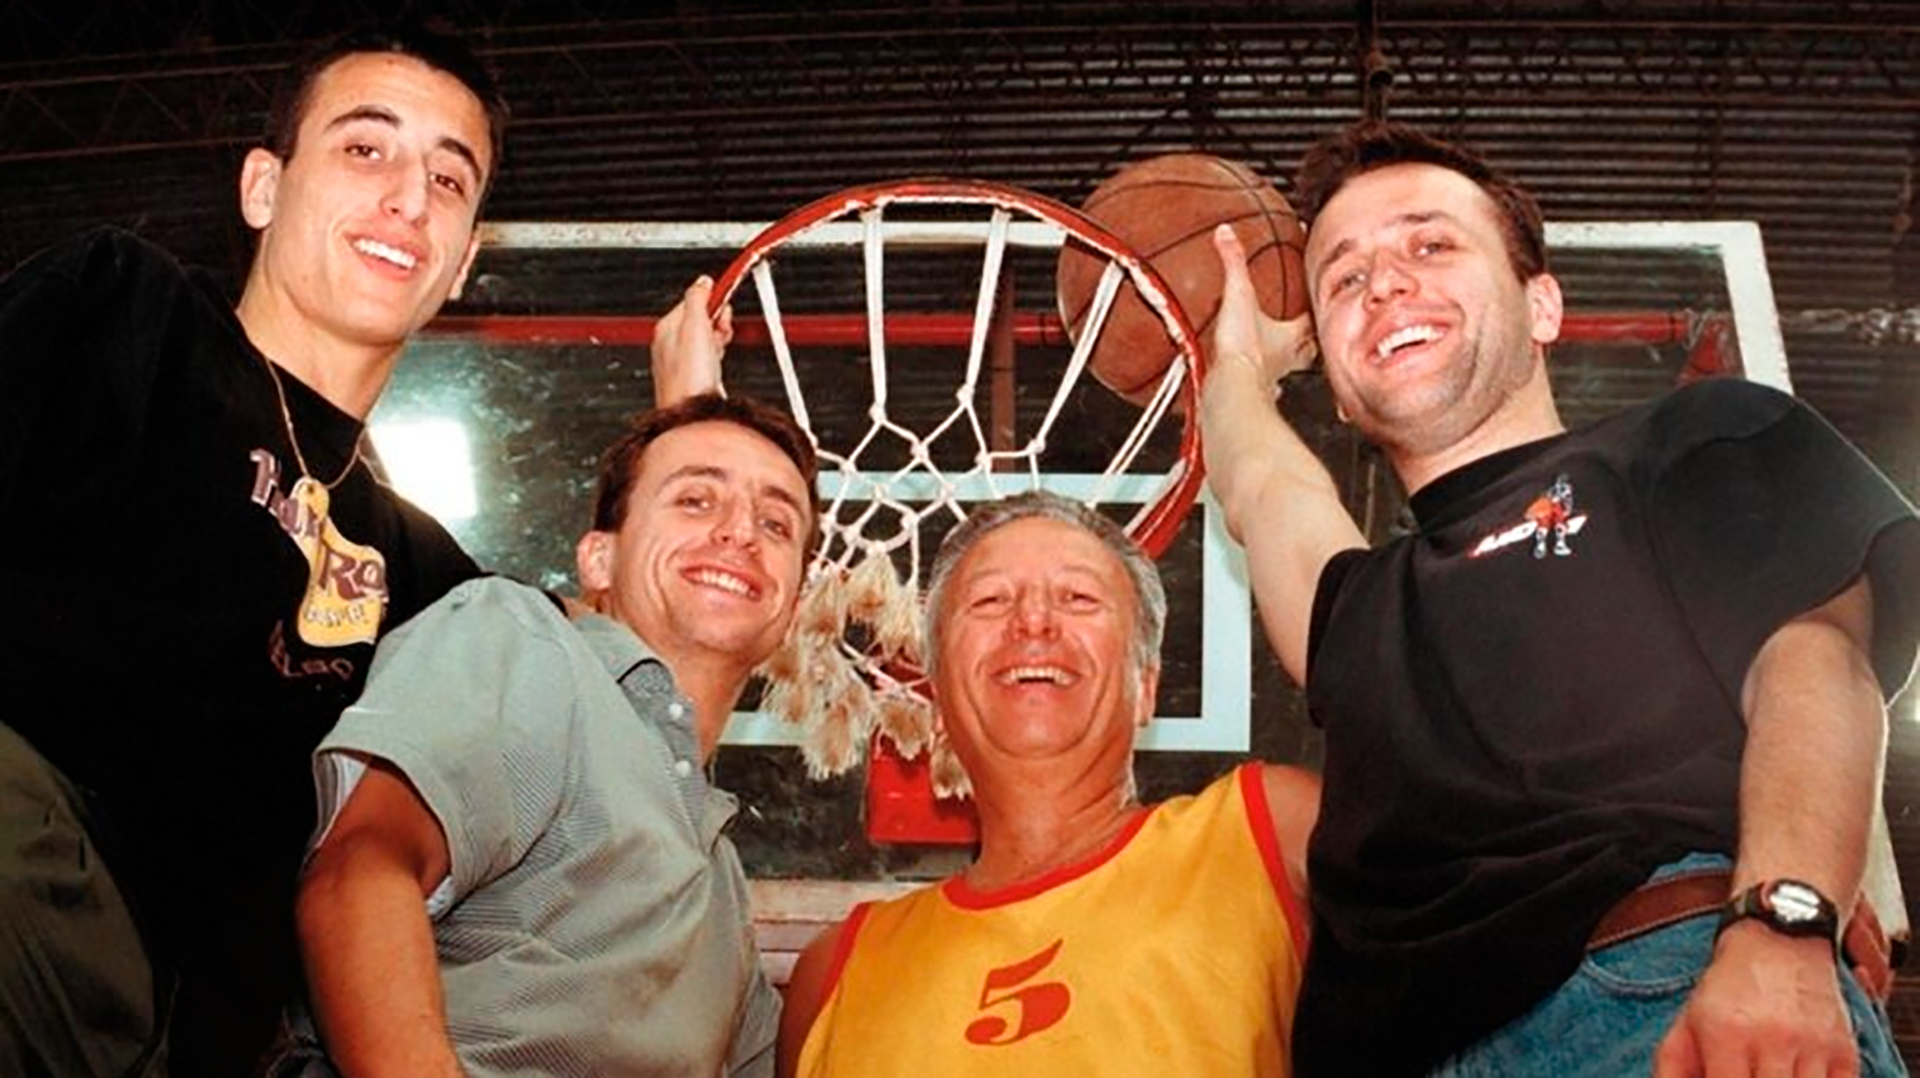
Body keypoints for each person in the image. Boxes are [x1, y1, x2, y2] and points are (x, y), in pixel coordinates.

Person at [1199, 120, 1919, 1076]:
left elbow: (1815, 665)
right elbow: (1259, 483)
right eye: (1344, 278)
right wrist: (1241, 362)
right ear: (1333, 385)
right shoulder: (1364, 606)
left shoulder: (1687, 438)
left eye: (1430, 245)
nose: (1384, 284)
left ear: (1543, 305)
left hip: (1653, 998)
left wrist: (1782, 923)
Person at [0, 21, 509, 1077]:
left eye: (448, 179)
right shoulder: (129, 310)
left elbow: (610, 687)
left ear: (462, 262)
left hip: (195, 1028)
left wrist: (688, 416)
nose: (408, 197)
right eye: (365, 149)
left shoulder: (432, 577)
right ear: (263, 188)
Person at [278, 392, 815, 1077]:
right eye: (695, 501)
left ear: (793, 610)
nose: (740, 532)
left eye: (775, 523)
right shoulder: (529, 646)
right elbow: (357, 876)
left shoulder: (720, 882)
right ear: (598, 560)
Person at [778, 491, 1321, 1078]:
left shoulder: (1268, 834)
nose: (1033, 621)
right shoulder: (836, 973)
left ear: (1146, 686)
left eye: (1078, 597)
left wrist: (1251, 455)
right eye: (990, 600)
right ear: (935, 698)